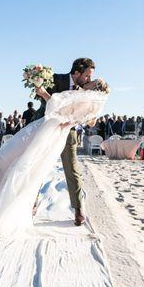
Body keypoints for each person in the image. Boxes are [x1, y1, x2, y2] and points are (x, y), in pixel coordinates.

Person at [0, 78, 109, 239]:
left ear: (96, 89)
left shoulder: (86, 100)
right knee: (17, 156)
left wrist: (43, 92)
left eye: (92, 82)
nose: (88, 81)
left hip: (50, 131)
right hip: (50, 129)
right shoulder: (87, 100)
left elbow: (61, 111)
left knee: (20, 160)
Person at [31, 57, 96, 226]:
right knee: (38, 165)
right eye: (87, 76)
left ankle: (79, 209)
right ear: (76, 73)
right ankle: (32, 203)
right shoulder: (56, 79)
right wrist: (39, 86)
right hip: (47, 128)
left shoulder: (85, 91)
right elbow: (42, 99)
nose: (89, 80)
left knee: (72, 167)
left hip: (69, 132)